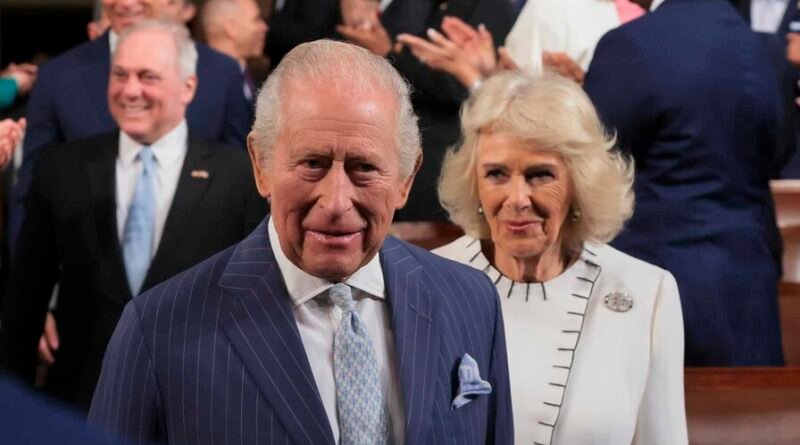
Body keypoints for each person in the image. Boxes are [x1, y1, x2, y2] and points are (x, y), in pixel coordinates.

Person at [88, 39, 513, 444]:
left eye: (364, 168)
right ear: (261, 165)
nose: (336, 202)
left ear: (406, 178)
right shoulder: (157, 328)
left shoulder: (471, 301)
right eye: (312, 163)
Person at [0, 20, 266, 409]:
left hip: (197, 407)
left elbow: (255, 309)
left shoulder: (238, 178)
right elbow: (24, 308)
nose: (130, 90)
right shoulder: (62, 169)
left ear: (188, 87)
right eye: (120, 75)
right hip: (81, 405)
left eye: (148, 77)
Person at [433, 71, 687, 445]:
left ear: (579, 183)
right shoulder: (428, 283)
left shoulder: (648, 292)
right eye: (496, 174)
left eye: (540, 175)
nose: (517, 199)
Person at [583, 0, 787, 366]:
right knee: (751, 404)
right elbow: (779, 150)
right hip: (750, 287)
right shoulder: (763, 50)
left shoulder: (633, 46)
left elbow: (590, 159)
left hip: (658, 284)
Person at [11, 0, 251, 255]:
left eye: (148, 77)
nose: (125, 3)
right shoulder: (58, 75)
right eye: (120, 75)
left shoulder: (221, 72)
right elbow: (31, 194)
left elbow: (239, 189)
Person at [337, 0, 515, 222]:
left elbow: (454, 89)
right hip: (389, 137)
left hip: (437, 156)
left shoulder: (491, 8)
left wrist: (389, 55)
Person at [201, 0, 269, 110]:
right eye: (256, 19)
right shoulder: (208, 88)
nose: (264, 27)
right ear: (231, 28)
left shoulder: (245, 78)